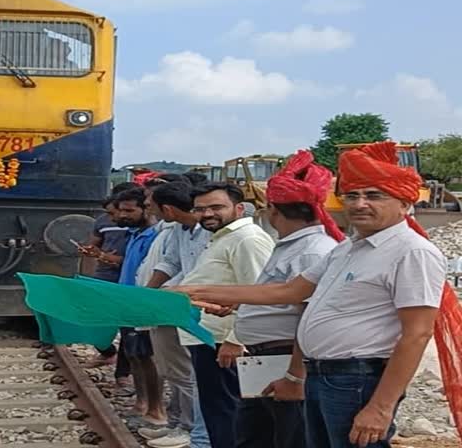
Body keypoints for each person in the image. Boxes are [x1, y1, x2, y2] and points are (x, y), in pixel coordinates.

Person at [178, 142, 450, 448]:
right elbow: (288, 291)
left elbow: (417, 334)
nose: (359, 204)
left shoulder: (411, 252)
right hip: (322, 374)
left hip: (356, 378)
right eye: (352, 195)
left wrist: (380, 407)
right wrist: (193, 291)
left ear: (404, 203)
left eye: (374, 196)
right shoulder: (348, 248)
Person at [231, 150, 343, 448]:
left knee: (288, 435)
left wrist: (295, 375)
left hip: (284, 358)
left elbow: (308, 318)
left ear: (273, 210)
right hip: (265, 357)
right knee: (257, 435)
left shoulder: (311, 251)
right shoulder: (292, 247)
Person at [178, 182, 275, 448]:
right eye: (200, 209)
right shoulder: (223, 237)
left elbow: (260, 292)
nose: (207, 214)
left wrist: (236, 339)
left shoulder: (248, 239)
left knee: (229, 415)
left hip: (226, 344)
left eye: (216, 207)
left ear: (239, 208)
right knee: (218, 412)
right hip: (210, 339)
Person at [141, 181, 212, 448]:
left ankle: (192, 429)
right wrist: (149, 293)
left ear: (168, 209)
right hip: (175, 303)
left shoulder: (208, 231)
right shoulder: (178, 231)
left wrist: (167, 293)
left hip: (196, 307)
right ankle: (180, 422)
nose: (153, 213)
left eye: (154, 207)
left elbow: (200, 272)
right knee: (174, 370)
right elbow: (170, 262)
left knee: (188, 372)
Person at [114, 186, 166, 424]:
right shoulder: (135, 234)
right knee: (133, 354)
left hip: (142, 302)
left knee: (147, 355)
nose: (123, 215)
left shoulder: (154, 236)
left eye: (129, 210)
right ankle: (141, 403)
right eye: (121, 211)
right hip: (127, 303)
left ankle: (156, 409)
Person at [79, 183, 138, 385]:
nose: (117, 216)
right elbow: (93, 243)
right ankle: (107, 352)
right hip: (104, 276)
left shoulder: (137, 226)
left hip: (128, 278)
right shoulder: (102, 221)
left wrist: (105, 256)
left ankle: (123, 372)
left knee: (127, 328)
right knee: (95, 319)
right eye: (114, 212)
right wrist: (90, 252)